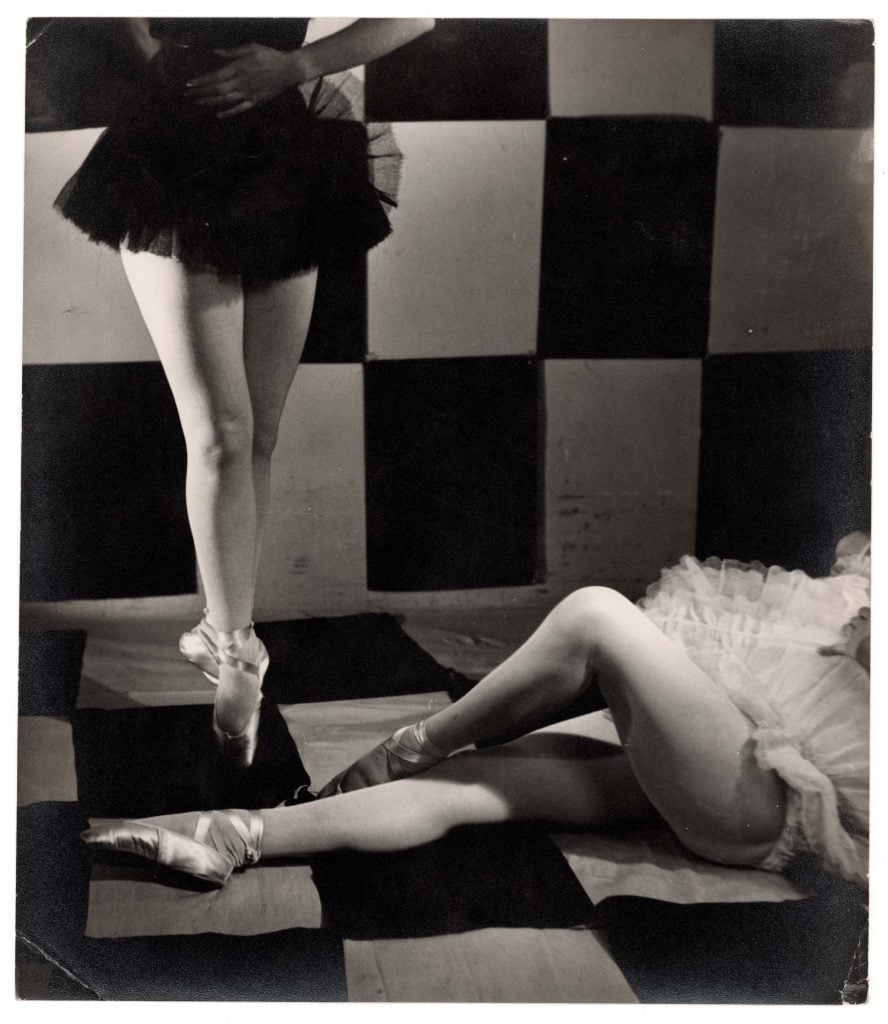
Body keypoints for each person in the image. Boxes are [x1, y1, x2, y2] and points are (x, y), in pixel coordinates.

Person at [54, 17, 435, 766]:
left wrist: (296, 64)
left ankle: (225, 634)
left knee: (254, 432)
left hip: (283, 149)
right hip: (169, 144)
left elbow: (417, 12)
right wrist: (160, 58)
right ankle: (235, 648)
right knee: (223, 433)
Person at [82, 536, 870, 889]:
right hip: (745, 729)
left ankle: (410, 744)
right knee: (479, 784)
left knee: (595, 616)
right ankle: (232, 835)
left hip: (778, 799)